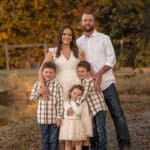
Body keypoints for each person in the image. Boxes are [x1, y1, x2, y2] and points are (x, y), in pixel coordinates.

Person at [77, 12, 131, 150]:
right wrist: (91, 77)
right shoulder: (78, 42)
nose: (87, 22)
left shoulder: (104, 38)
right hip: (90, 88)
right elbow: (80, 64)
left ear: (94, 22)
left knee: (118, 114)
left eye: (90, 20)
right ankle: (94, 146)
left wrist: (99, 74)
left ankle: (124, 145)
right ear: (81, 23)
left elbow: (111, 59)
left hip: (107, 83)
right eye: (85, 20)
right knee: (93, 120)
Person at [39, 24, 92, 150]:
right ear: (60, 35)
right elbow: (41, 70)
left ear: (72, 36)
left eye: (69, 34)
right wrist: (43, 87)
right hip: (60, 92)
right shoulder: (53, 51)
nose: (67, 37)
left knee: (81, 121)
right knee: (65, 126)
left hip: (77, 90)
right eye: (64, 34)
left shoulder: (79, 51)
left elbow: (86, 69)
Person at [30, 61, 63, 150]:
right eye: (46, 72)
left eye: (51, 72)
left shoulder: (57, 86)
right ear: (42, 73)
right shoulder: (38, 84)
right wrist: (38, 92)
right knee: (44, 140)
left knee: (54, 140)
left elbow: (60, 103)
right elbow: (32, 98)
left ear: (55, 74)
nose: (48, 74)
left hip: (54, 120)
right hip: (42, 119)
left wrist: (59, 117)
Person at [76, 61, 107, 150]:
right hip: (92, 111)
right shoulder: (82, 81)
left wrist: (75, 105)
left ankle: (102, 148)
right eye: (78, 71)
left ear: (88, 72)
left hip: (99, 109)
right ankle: (94, 147)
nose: (80, 73)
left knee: (100, 130)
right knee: (94, 131)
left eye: (82, 71)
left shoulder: (88, 80)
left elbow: (84, 95)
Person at [59, 84, 87, 150]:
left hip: (77, 124)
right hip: (67, 124)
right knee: (68, 143)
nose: (76, 95)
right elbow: (68, 110)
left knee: (78, 143)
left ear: (81, 96)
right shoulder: (66, 102)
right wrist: (72, 105)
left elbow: (77, 112)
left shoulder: (80, 104)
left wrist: (74, 102)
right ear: (70, 93)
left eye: (79, 94)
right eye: (74, 93)